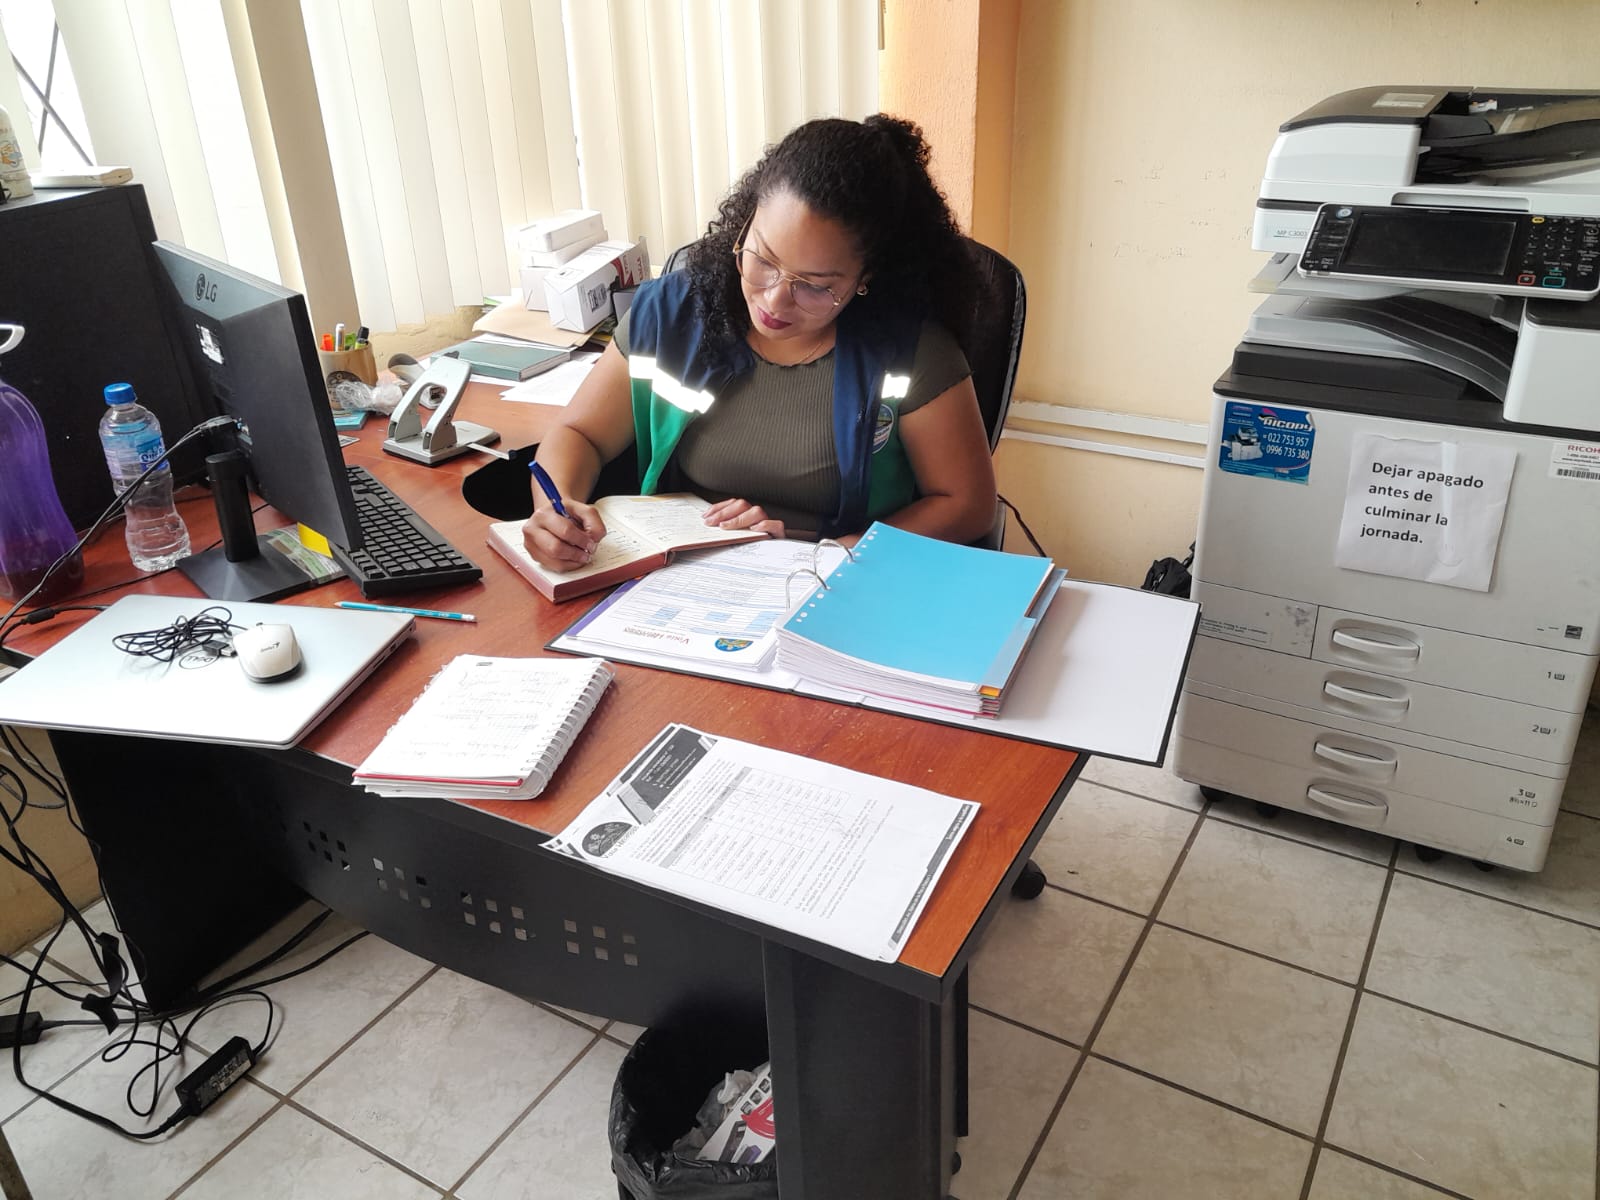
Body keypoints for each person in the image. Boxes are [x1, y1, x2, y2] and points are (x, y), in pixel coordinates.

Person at [522, 113, 998, 572]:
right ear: (746, 222)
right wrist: (555, 510)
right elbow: (579, 433)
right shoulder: (670, 316)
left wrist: (833, 554)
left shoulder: (911, 352)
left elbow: (967, 504)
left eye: (814, 286)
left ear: (864, 278)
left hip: (827, 582)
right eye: (763, 259)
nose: (774, 299)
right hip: (677, 578)